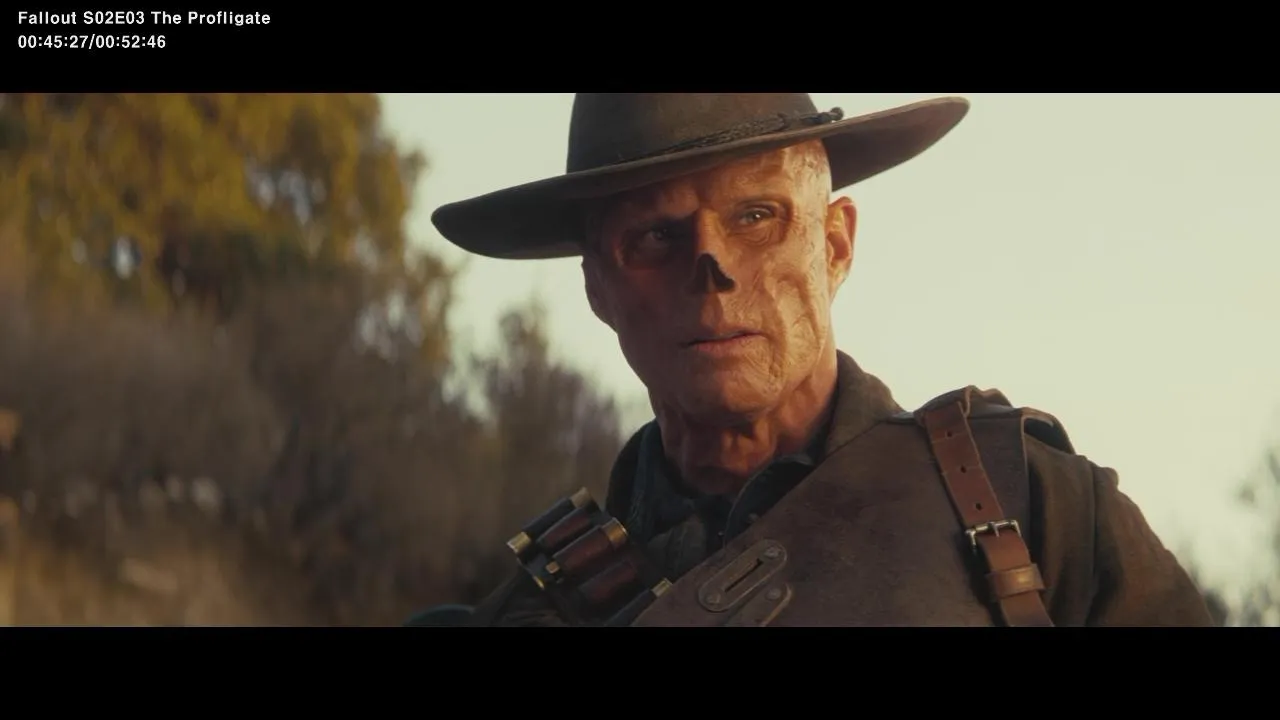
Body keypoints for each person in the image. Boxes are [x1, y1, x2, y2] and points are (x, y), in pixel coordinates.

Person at [425, 93, 1214, 627]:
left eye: (756, 216)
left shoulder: (1035, 506)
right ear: (598, 287)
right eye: (657, 236)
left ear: (834, 245)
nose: (713, 269)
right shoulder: (537, 609)